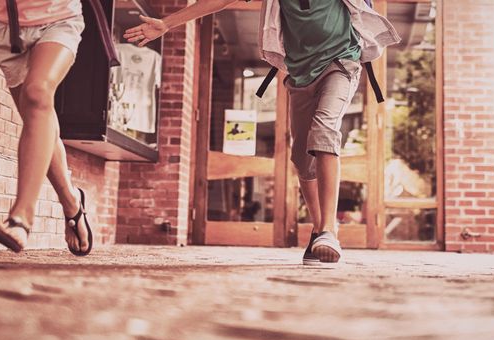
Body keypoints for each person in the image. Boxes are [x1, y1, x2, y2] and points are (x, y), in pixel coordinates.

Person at [125, 0, 399, 265]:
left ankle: (329, 231)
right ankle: (318, 229)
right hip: (301, 74)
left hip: (341, 63)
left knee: (325, 130)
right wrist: (166, 23)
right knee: (302, 160)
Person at [0, 0, 94, 256]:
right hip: (8, 29)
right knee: (37, 115)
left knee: (37, 93)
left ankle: (21, 218)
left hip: (58, 19)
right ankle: (72, 202)